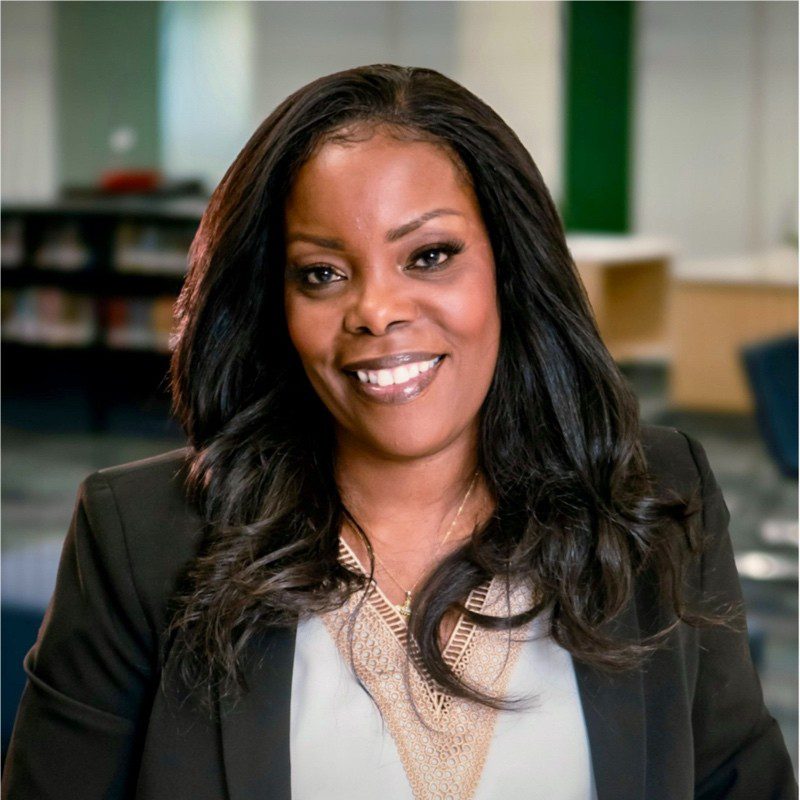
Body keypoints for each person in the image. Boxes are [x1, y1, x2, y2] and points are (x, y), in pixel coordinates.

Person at [2, 65, 795, 800]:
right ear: (275, 305)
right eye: (322, 272)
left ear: (508, 270)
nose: (376, 309)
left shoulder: (654, 496)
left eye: (430, 256)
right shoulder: (142, 535)